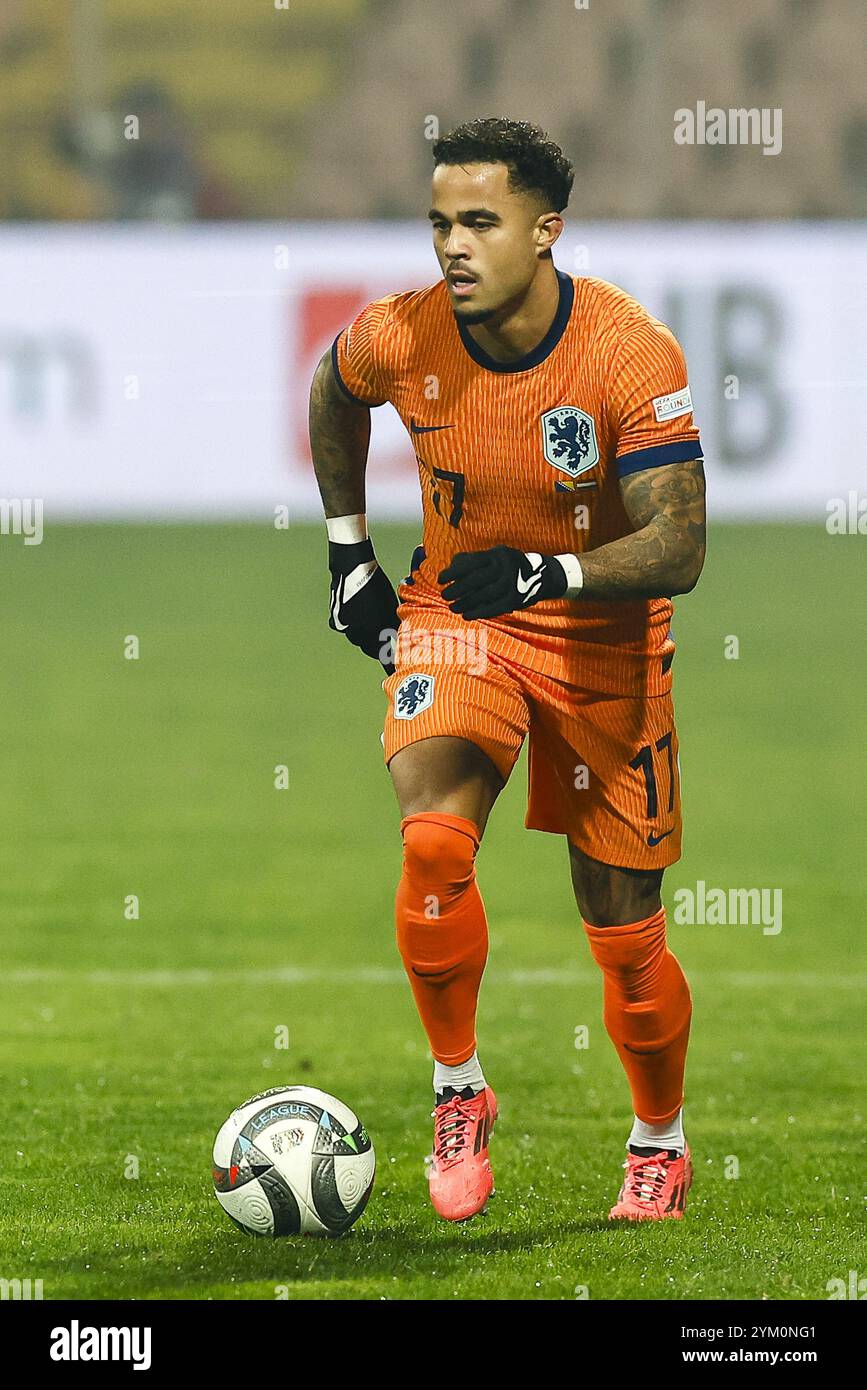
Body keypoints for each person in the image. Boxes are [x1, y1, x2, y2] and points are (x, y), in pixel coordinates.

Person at [308, 117, 706, 1223]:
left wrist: (553, 567)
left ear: (546, 231)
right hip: (458, 611)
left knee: (624, 935)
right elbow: (330, 390)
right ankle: (457, 1087)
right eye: (439, 222)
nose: (453, 245)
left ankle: (659, 1141)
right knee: (432, 839)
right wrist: (350, 552)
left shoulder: (629, 352)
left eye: (479, 222)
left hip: (602, 639)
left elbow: (680, 543)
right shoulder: (401, 334)